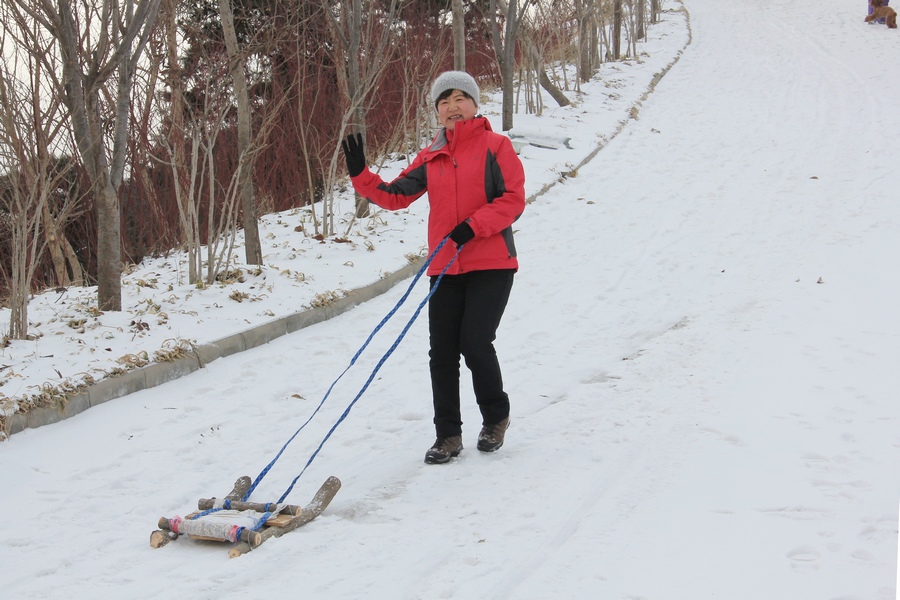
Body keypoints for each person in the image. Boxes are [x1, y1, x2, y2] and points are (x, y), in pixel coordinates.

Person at [341, 71, 526, 464]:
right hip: (446, 267)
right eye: (444, 101)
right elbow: (394, 196)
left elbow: (512, 199)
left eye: (460, 98)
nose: (452, 106)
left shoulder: (496, 146)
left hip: (492, 261)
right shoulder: (432, 156)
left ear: (475, 105)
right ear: (438, 112)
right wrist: (360, 174)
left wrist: (472, 227)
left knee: (475, 342)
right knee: (441, 352)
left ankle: (496, 417)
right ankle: (448, 435)